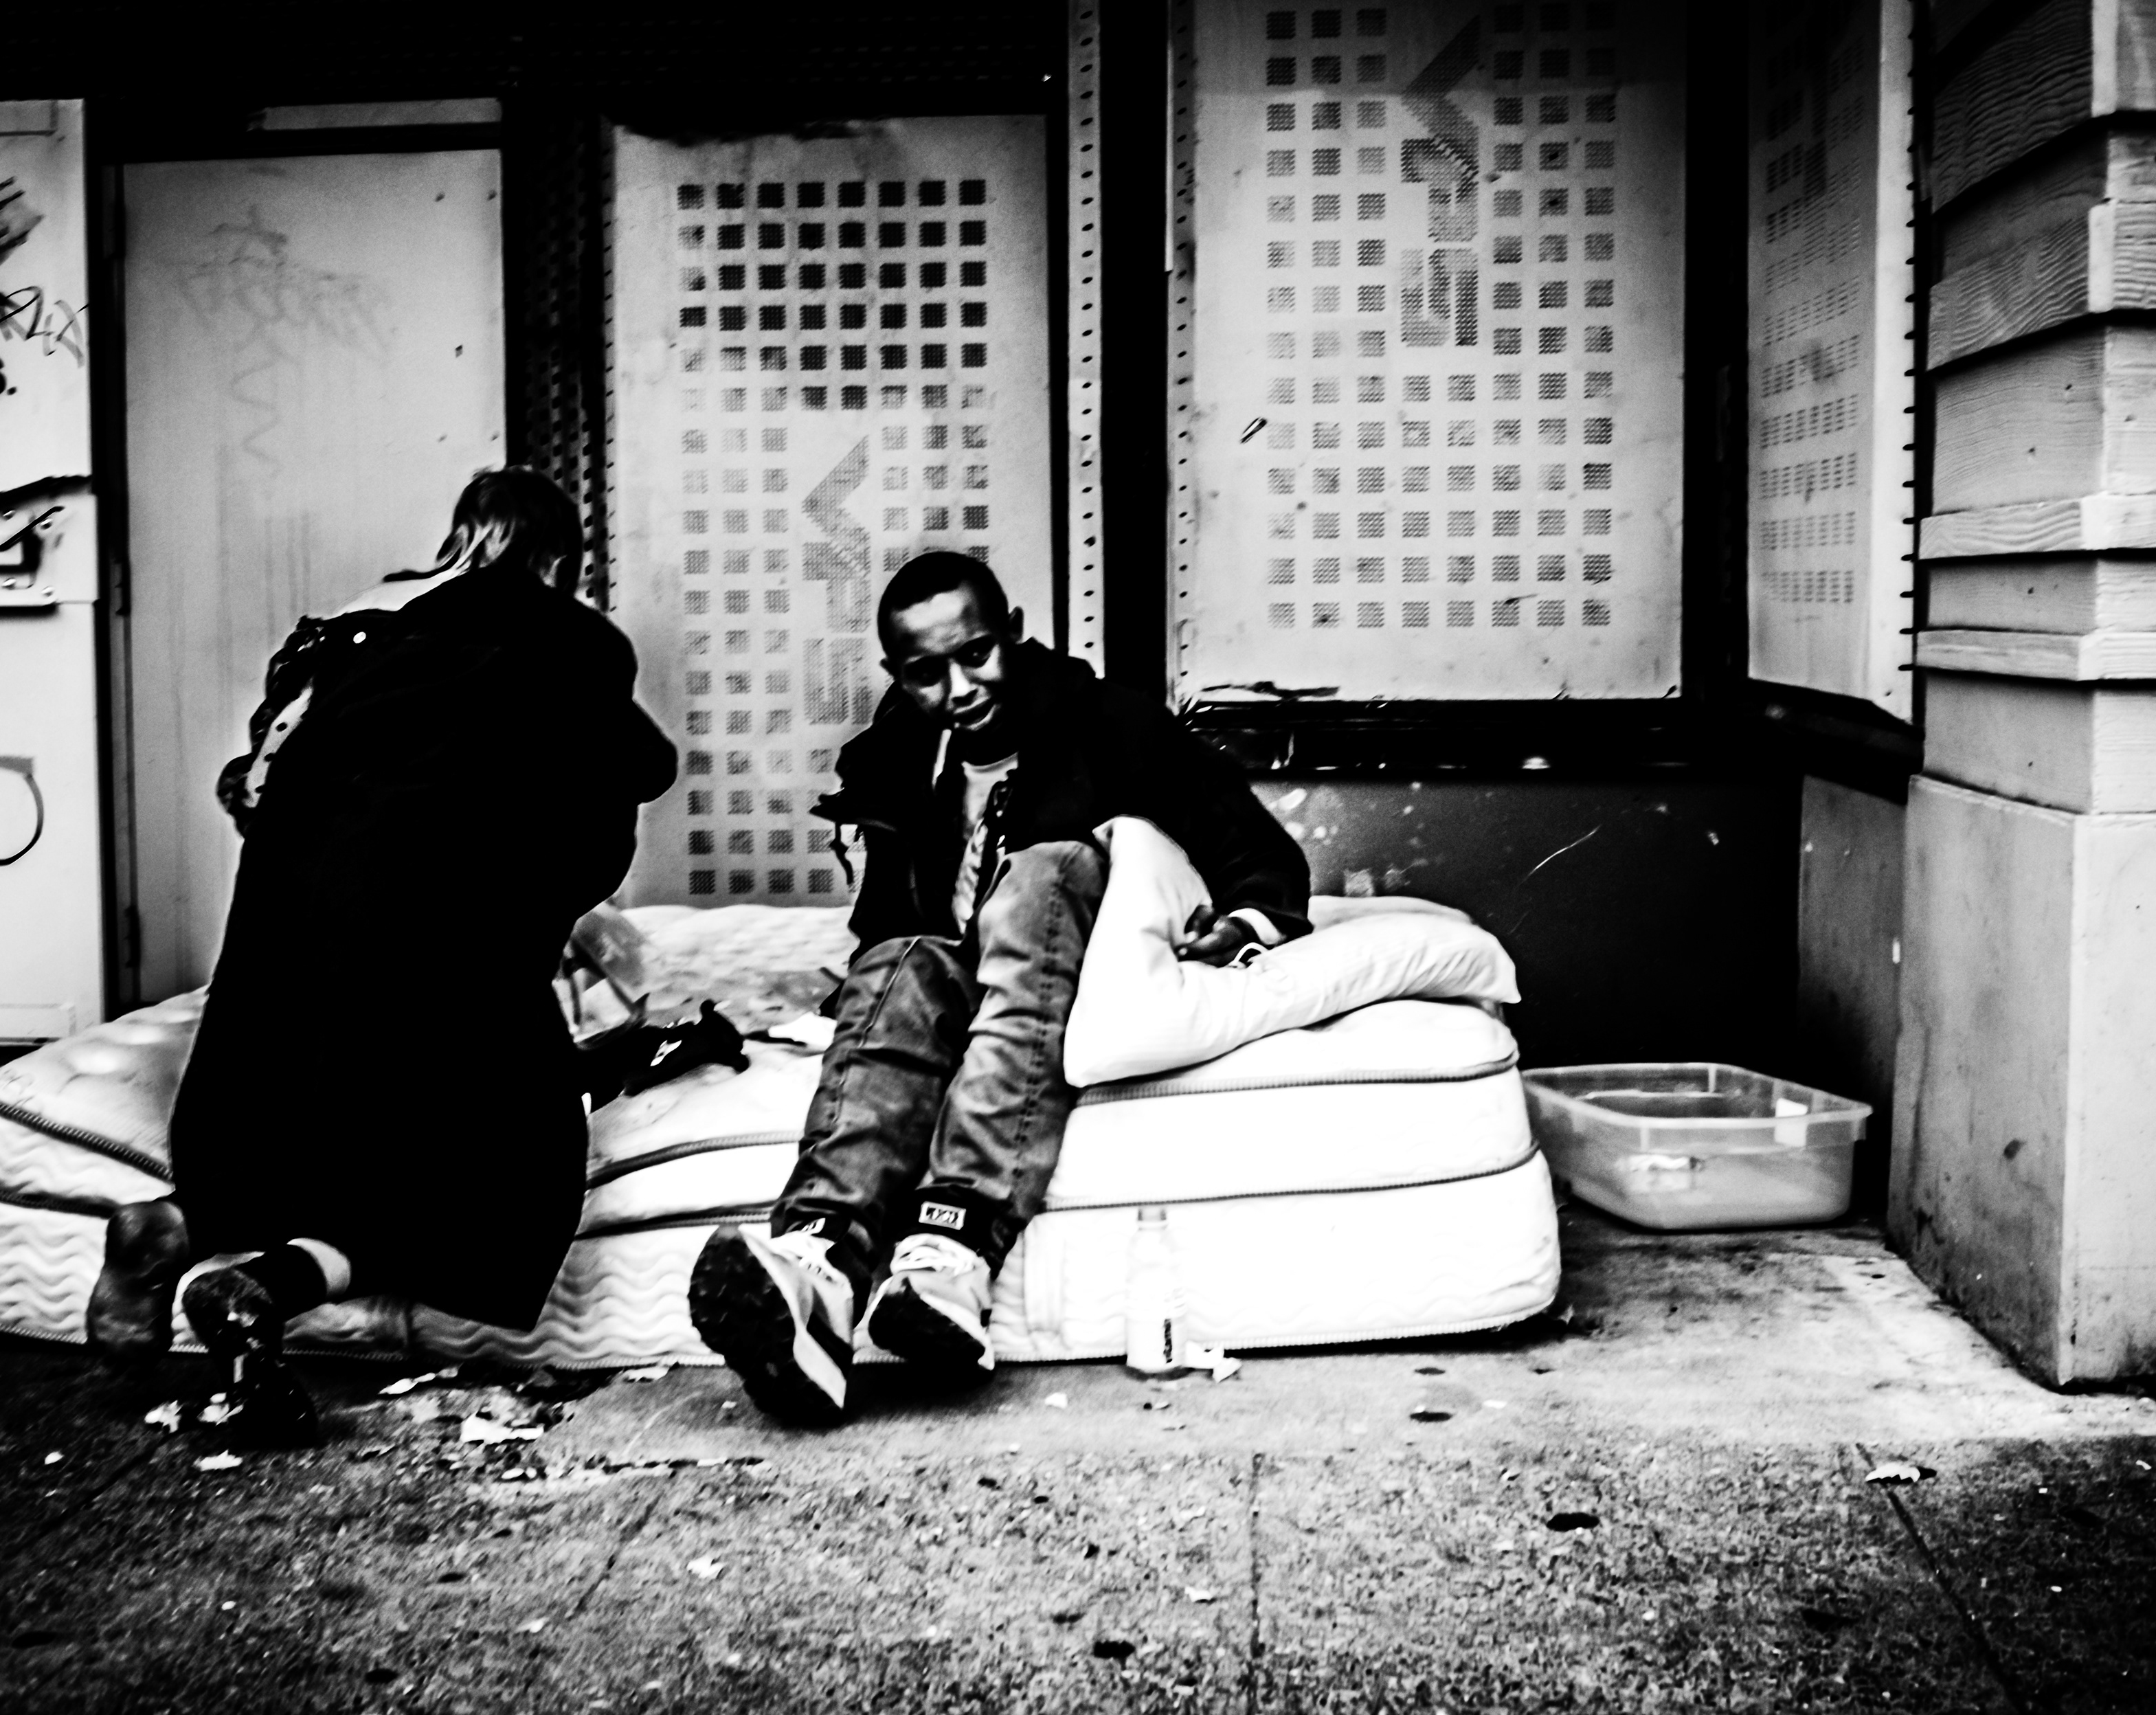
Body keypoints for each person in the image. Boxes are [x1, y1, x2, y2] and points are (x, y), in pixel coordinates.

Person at [85, 468, 675, 1439]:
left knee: (301, 1115)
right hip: (433, 899)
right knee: (511, 1149)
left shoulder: (362, 616)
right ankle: (259, 1277)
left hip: (288, 897)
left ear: (457, 536)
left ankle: (188, 1234)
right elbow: (644, 766)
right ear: (559, 556)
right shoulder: (565, 630)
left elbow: (258, 768)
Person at [688, 550, 1309, 1424]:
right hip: (964, 962)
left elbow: (1264, 857)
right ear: (897, 675)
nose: (961, 685)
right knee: (902, 961)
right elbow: (888, 927)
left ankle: (952, 1249)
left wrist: (1238, 926)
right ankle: (817, 1271)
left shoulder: (1111, 721)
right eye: (926, 672)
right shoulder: (899, 758)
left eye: (977, 652)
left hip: (1065, 952)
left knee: (1040, 879)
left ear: (1014, 632)